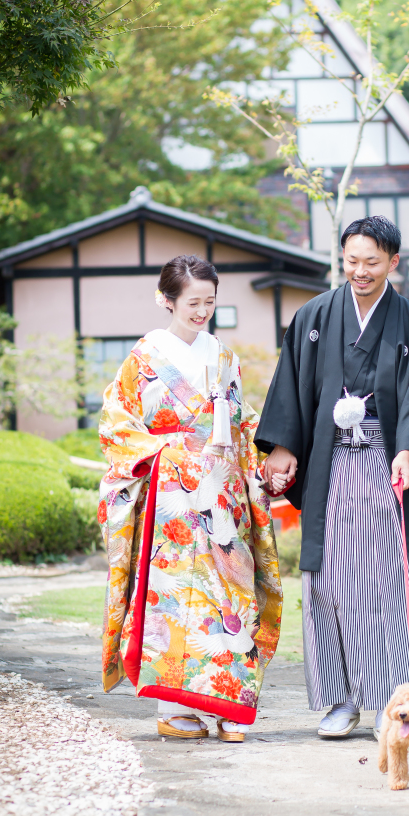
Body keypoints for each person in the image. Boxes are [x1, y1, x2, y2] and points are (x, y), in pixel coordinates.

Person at [256, 216, 409, 740]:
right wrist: (284, 449)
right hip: (330, 465)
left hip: (389, 466)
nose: (360, 271)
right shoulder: (315, 315)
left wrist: (407, 450)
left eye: (372, 262)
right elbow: (294, 389)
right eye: (352, 260)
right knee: (326, 581)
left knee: (393, 582)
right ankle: (340, 700)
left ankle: (406, 703)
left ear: (393, 263)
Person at [98, 254, 282, 742]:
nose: (202, 312)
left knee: (230, 592)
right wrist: (168, 449)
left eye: (210, 302)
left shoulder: (223, 356)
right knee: (174, 599)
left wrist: (262, 467)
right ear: (167, 300)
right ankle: (174, 710)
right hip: (171, 499)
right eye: (193, 303)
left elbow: (243, 420)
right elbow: (116, 424)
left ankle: (225, 705)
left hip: (222, 491)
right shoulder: (143, 358)